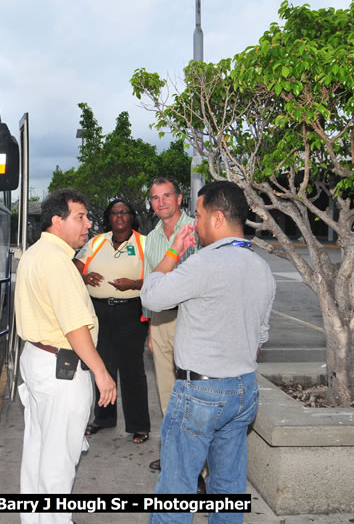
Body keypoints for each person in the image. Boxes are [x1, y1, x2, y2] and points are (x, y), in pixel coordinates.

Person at [141, 181, 275, 524]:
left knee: (176, 489)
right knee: (228, 487)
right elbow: (260, 337)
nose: (196, 224)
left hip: (200, 392)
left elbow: (151, 296)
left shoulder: (204, 263)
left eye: (199, 216)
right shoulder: (261, 267)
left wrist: (173, 252)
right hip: (243, 389)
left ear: (217, 218)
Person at [14, 188, 116, 524]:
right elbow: (75, 327)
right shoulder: (57, 262)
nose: (88, 224)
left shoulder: (36, 253)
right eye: (80, 217)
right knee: (58, 460)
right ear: (57, 221)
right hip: (62, 368)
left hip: (39, 360)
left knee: (39, 450)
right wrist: (101, 372)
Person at [74, 199, 150, 444]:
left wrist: (134, 284)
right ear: (108, 217)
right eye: (115, 213)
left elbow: (160, 276)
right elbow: (73, 268)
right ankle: (104, 418)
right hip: (98, 312)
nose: (119, 216)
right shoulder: (96, 242)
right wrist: (85, 277)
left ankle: (139, 425)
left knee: (132, 370)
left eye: (124, 212)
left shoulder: (144, 243)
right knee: (102, 365)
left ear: (132, 217)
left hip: (131, 312)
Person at [143, 177, 197, 471]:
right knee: (167, 394)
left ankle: (197, 469)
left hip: (191, 317)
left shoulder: (196, 229)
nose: (161, 202)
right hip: (161, 320)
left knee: (193, 394)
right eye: (155, 197)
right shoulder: (151, 238)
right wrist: (151, 327)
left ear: (179, 198)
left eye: (166, 196)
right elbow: (149, 284)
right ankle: (173, 458)